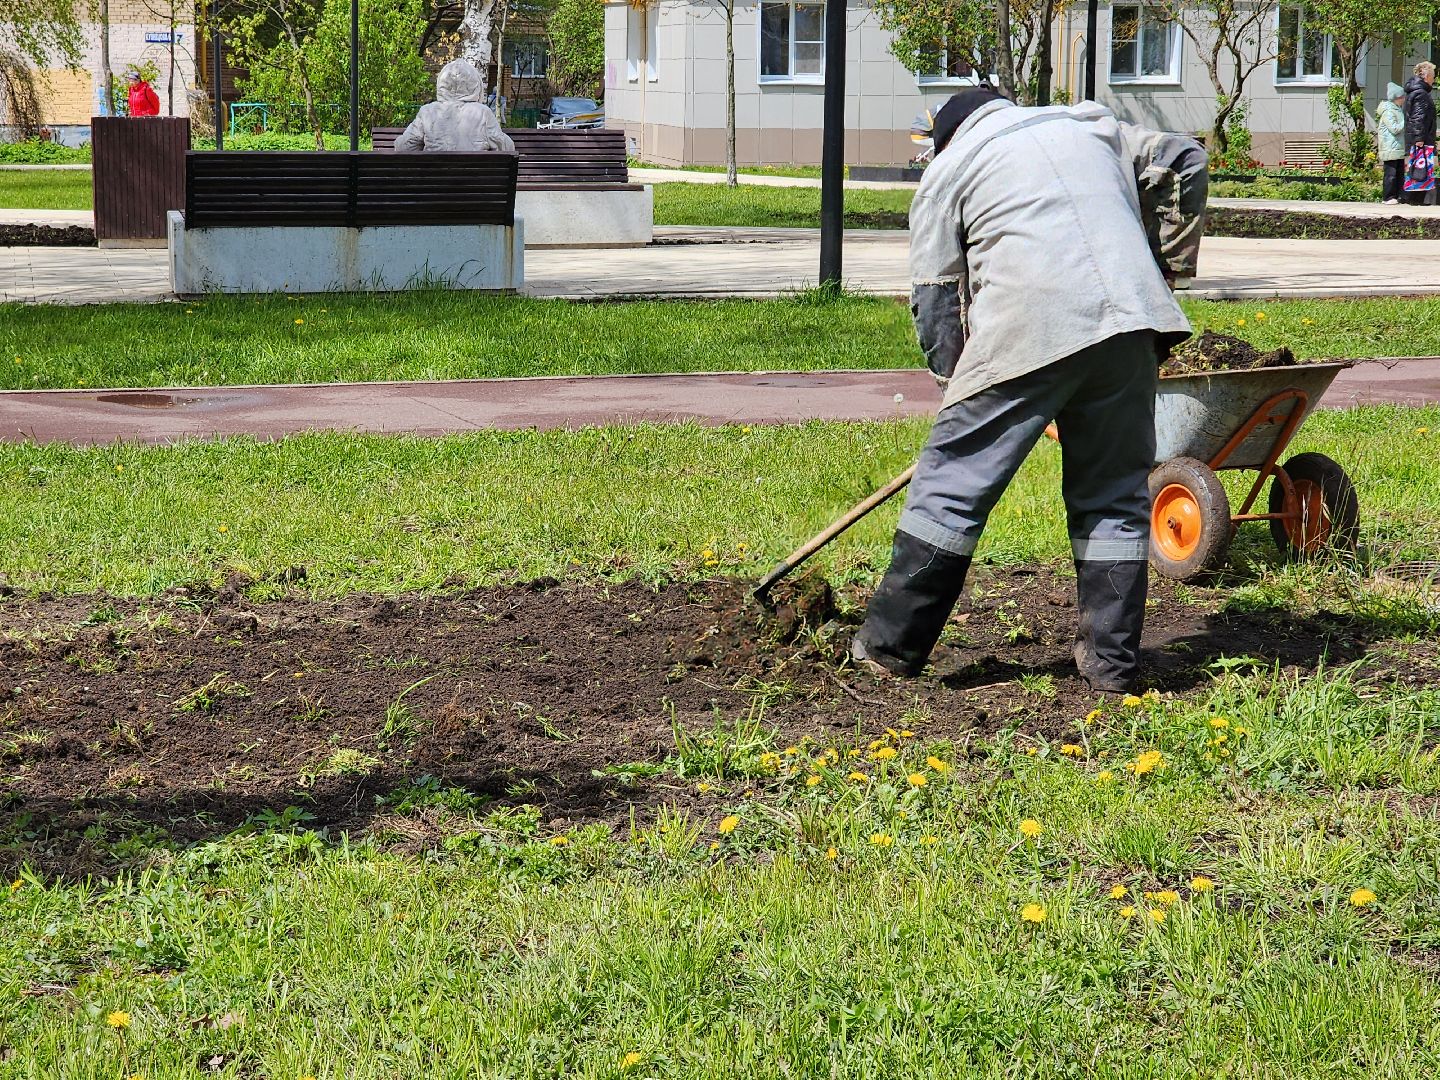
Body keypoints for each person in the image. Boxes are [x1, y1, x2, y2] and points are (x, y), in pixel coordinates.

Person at [850, 87, 1207, 693]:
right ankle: (1111, 666)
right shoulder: (1090, 125)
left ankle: (889, 649)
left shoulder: (949, 171)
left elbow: (936, 300)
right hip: (1132, 321)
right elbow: (1185, 158)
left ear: (945, 138)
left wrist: (959, 395)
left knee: (950, 490)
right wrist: (1165, 265)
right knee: (1114, 496)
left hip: (1029, 322)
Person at [395, 60, 515, 154]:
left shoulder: (428, 112)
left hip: (434, 177)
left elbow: (404, 146)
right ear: (475, 85)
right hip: (475, 178)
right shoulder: (483, 113)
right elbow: (506, 148)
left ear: (441, 84)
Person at [1404, 62, 1436, 205]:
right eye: (1433, 76)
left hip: (1419, 137)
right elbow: (1418, 117)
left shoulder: (1415, 91)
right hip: (1421, 138)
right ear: (1426, 76)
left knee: (1418, 167)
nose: (1434, 79)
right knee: (1420, 168)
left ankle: (1416, 199)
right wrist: (1419, 138)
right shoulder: (1421, 94)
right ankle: (1415, 199)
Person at [1378, 82, 1406, 204]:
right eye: (1402, 97)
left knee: (1399, 173)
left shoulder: (1398, 109)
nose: (1404, 99)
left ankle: (1398, 195)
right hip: (1390, 147)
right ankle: (1388, 197)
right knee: (1391, 174)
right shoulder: (1388, 111)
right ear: (1396, 98)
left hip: (1398, 147)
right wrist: (1406, 122)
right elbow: (1394, 128)